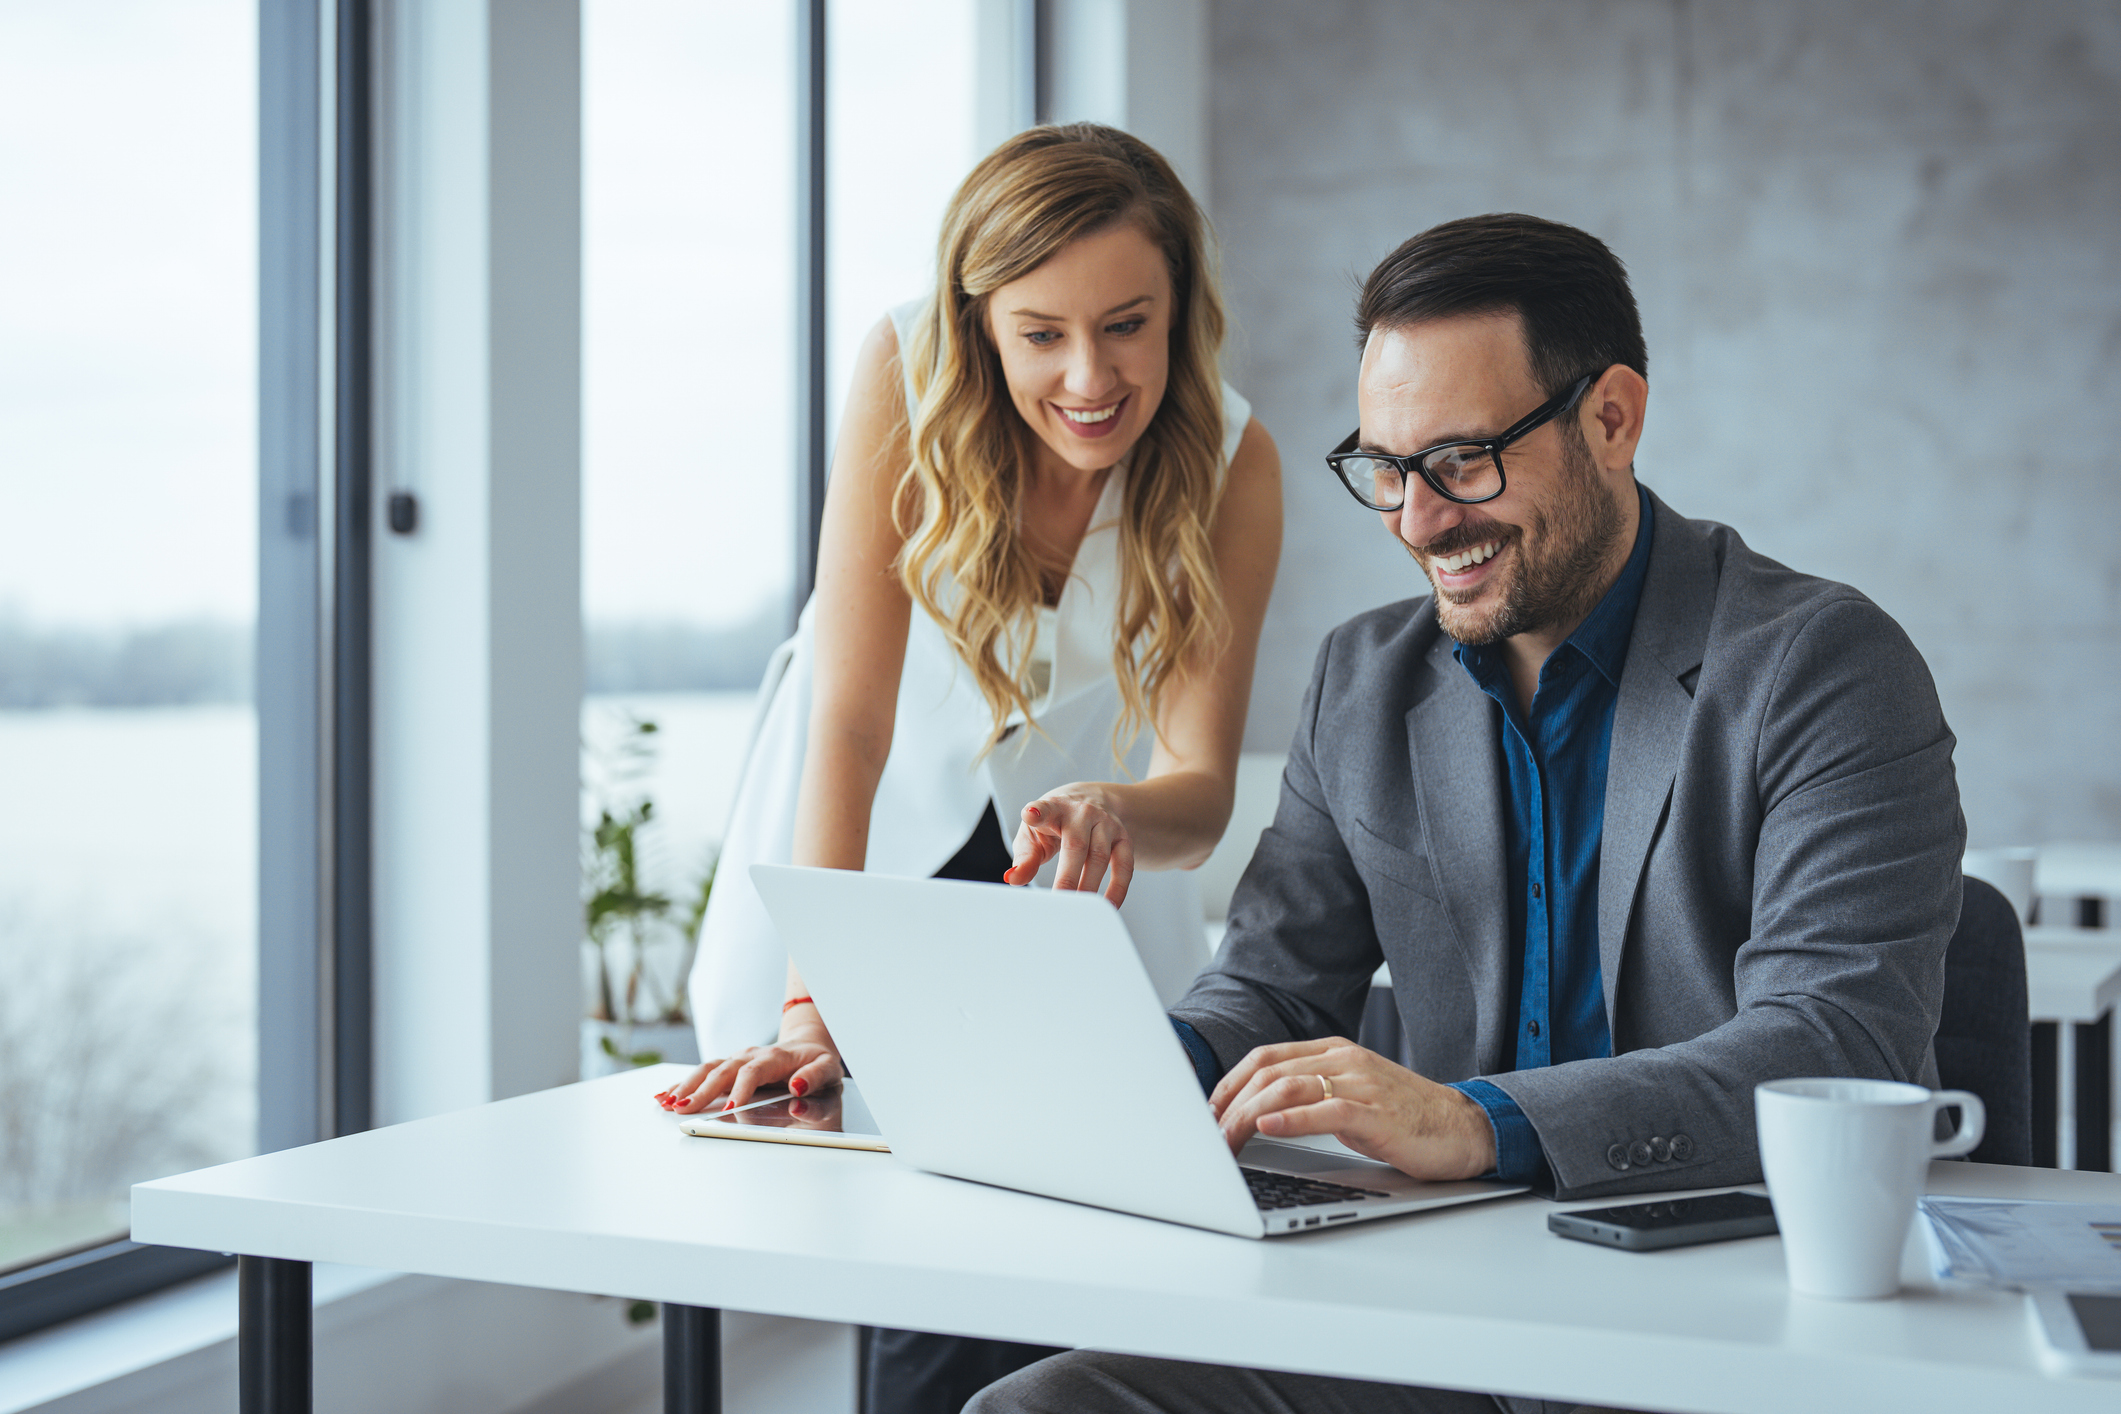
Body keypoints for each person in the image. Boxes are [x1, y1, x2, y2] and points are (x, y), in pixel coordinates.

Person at [967, 214, 1964, 1414]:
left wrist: (1478, 1122)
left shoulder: (1822, 666)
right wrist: (1133, 1075)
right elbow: (1275, 985)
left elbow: (1835, 1043)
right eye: (1386, 468)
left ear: (1613, 418)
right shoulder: (1364, 678)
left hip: (1722, 1323)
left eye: (1462, 461)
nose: (1418, 519)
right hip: (1440, 1315)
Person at [665, 123, 1282, 1414]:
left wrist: (1122, 807)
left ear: (1181, 309)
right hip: (864, 848)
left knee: (1080, 1257)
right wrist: (808, 1003)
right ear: (979, 320)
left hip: (1076, 882)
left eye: (1128, 324)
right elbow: (852, 719)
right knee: (909, 1254)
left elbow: (1202, 795)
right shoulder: (905, 369)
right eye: (1040, 332)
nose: (1091, 376)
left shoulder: (1234, 461)